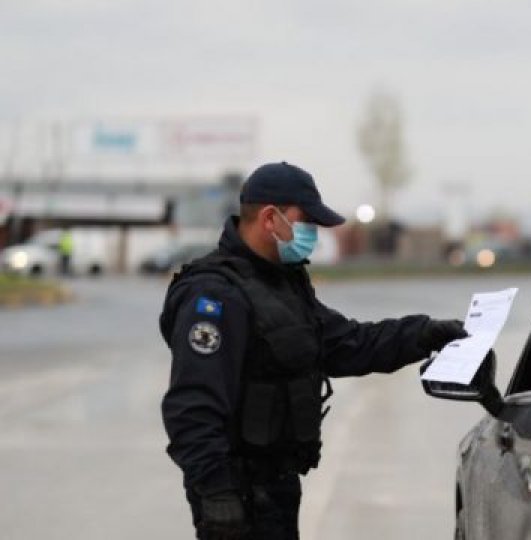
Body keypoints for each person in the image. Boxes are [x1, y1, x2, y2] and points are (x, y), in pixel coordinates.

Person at [159, 162, 467, 539]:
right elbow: (192, 406)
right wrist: (216, 492)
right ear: (271, 218)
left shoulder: (282, 285)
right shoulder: (214, 296)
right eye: (305, 222)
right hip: (235, 495)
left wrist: (423, 333)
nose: (313, 235)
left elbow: (348, 344)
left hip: (277, 488)